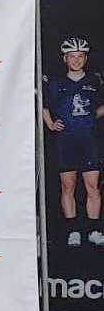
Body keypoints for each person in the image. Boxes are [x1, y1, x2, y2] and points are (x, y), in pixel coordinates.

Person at [42, 37, 104, 247]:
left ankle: (93, 230)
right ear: (65, 59)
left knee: (93, 186)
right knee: (67, 185)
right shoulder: (56, 83)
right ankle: (73, 231)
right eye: (72, 57)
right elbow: (44, 105)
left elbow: (101, 106)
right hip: (65, 141)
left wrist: (92, 118)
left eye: (80, 56)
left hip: (89, 140)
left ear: (85, 58)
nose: (76, 60)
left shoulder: (95, 81)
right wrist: (50, 124)